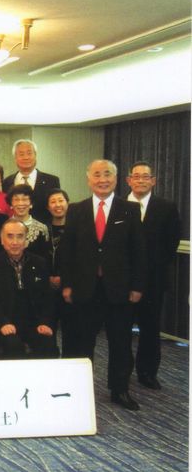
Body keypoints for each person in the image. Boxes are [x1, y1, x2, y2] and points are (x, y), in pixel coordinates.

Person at [60, 159, 146, 410]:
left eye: (107, 174)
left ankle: (119, 390)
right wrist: (67, 285)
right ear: (89, 179)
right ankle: (80, 390)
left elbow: (139, 252)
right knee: (82, 342)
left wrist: (137, 286)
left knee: (121, 343)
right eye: (96, 175)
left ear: (116, 179)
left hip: (119, 289)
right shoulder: (76, 210)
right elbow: (67, 252)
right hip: (85, 288)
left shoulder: (129, 209)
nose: (102, 180)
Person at [126, 161, 182, 390]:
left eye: (145, 176)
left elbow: (171, 244)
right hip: (122, 282)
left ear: (153, 181)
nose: (140, 180)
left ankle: (147, 372)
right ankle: (121, 373)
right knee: (121, 331)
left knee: (149, 329)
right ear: (128, 180)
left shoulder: (166, 207)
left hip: (153, 281)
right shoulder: (118, 206)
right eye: (136, 176)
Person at [0, 219, 58, 359]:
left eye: (20, 236)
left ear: (26, 240)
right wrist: (2, 323)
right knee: (13, 346)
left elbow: (48, 298)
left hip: (34, 322)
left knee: (47, 344)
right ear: (2, 240)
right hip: (5, 321)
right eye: (10, 236)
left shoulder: (40, 263)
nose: (15, 242)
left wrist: (45, 322)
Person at [2, 139, 61, 223]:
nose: (26, 157)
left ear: (35, 155)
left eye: (29, 153)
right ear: (15, 158)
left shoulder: (52, 181)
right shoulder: (7, 182)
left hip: (44, 227)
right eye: (21, 154)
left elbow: (55, 208)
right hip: (14, 228)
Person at [46, 188, 70, 356]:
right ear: (48, 207)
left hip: (69, 285)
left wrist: (64, 278)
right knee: (49, 330)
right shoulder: (43, 229)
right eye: (53, 202)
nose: (57, 205)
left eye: (61, 201)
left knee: (71, 330)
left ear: (68, 203)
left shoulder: (76, 227)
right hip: (47, 286)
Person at [6, 184, 51, 259]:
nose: (20, 203)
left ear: (31, 203)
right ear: (11, 204)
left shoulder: (42, 228)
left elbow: (45, 257)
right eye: (16, 200)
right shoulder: (3, 227)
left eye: (24, 199)